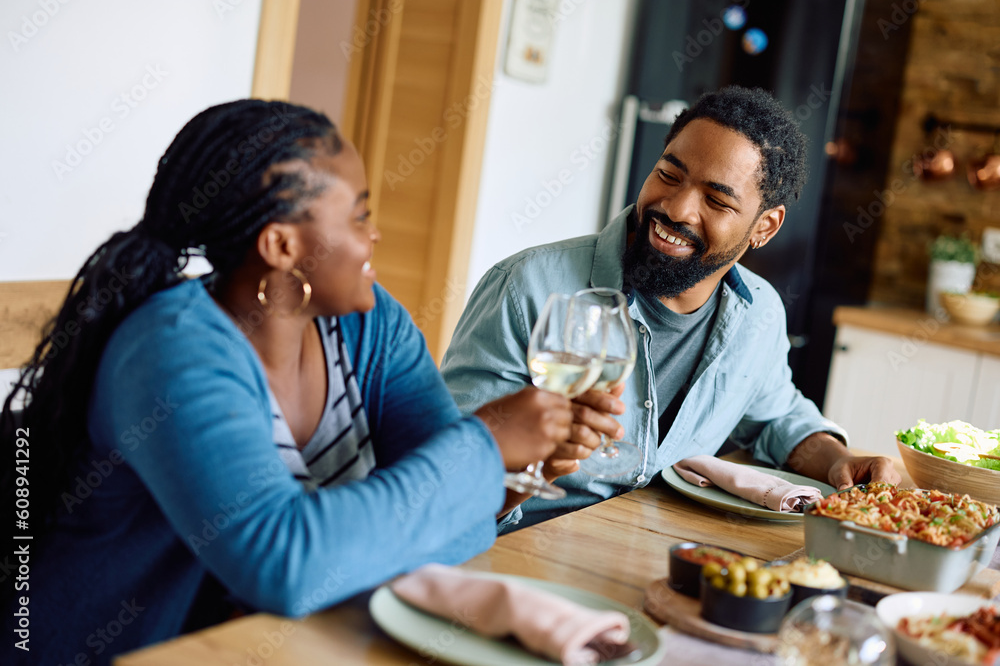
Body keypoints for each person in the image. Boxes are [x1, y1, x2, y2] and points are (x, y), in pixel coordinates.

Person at [0, 100, 573, 665]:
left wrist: (490, 472)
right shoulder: (172, 351)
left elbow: (459, 521)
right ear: (281, 246)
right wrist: (486, 442)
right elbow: (287, 568)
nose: (375, 236)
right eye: (358, 216)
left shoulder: (372, 326)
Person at [441, 86, 900, 532]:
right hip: (514, 556)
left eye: (717, 200)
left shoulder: (758, 311)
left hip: (650, 553)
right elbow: (445, 483)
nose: (676, 209)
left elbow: (775, 417)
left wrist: (836, 458)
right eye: (668, 174)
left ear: (765, 226)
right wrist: (539, 468)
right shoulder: (527, 287)